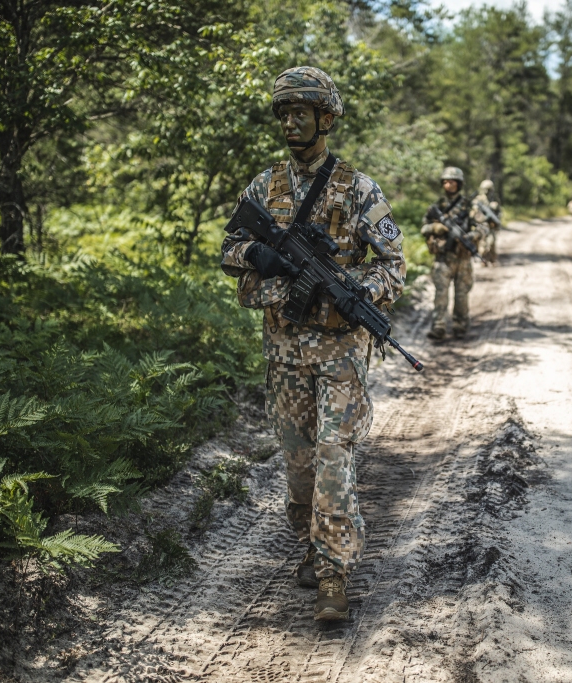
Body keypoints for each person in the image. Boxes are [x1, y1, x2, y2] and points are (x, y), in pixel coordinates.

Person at [219, 66, 406, 620]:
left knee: (332, 459)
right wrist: (257, 256)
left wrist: (356, 290)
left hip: (340, 353)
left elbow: (394, 265)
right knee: (299, 467)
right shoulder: (263, 186)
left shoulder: (359, 188)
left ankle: (333, 575)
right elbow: (230, 247)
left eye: (302, 111)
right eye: (284, 112)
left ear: (327, 118)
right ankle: (312, 539)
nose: (291, 120)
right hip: (283, 352)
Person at [421, 167, 489, 340]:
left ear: (459, 183)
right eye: (445, 181)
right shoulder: (436, 207)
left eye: (451, 181)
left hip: (463, 258)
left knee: (461, 295)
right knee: (441, 294)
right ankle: (439, 326)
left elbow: (483, 227)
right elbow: (424, 227)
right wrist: (434, 228)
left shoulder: (470, 206)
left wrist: (472, 236)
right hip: (443, 258)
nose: (447, 184)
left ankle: (460, 325)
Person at [474, 179, 502, 265]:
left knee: (492, 242)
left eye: (489, 190)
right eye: (486, 189)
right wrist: (483, 218)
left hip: (491, 225)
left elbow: (499, 212)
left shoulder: (494, 199)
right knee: (483, 244)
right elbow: (475, 213)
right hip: (482, 225)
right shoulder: (479, 200)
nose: (487, 192)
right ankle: (484, 260)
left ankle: (493, 259)